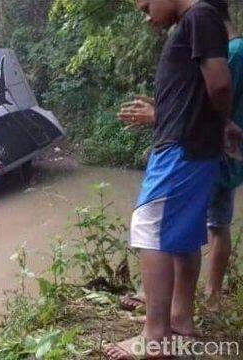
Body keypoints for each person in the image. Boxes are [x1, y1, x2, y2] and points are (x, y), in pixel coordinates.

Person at [104, 0, 238, 359]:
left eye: (146, 6)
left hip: (182, 147)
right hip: (191, 146)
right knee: (181, 238)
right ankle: (180, 321)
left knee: (149, 227)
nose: (146, 16)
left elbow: (221, 85)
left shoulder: (198, 16)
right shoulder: (199, 21)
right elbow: (200, 91)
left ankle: (155, 337)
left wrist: (220, 124)